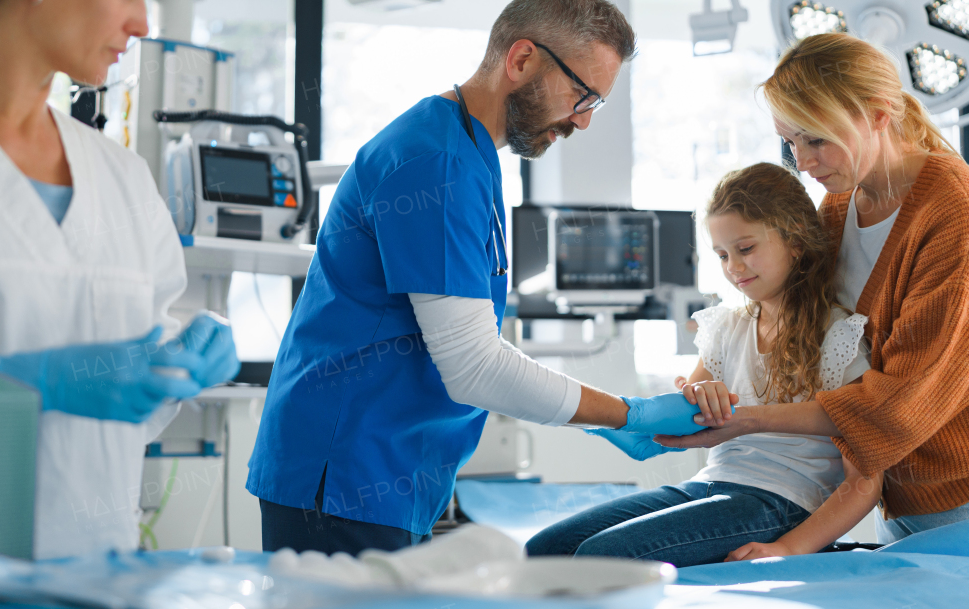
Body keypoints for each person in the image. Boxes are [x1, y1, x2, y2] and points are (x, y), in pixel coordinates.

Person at [248, 0, 707, 557]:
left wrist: (598, 421)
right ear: (521, 60)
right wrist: (624, 413)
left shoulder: (469, 152)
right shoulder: (435, 163)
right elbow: (473, 366)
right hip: (345, 472)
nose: (584, 119)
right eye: (582, 95)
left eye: (598, 104)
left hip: (388, 469)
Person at [657, 33, 969, 563]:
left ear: (879, 115)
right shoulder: (839, 206)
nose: (802, 162)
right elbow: (807, 332)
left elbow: (900, 403)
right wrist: (712, 374)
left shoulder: (961, 216)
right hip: (899, 493)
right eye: (790, 141)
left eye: (817, 140)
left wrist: (749, 418)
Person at [0, 0, 239, 566]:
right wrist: (28, 385)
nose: (143, 25)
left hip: (100, 577)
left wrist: (178, 366)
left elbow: (141, 384)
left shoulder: (121, 178)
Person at [526, 163, 879, 566]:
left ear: (795, 241)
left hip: (785, 502)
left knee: (601, 557)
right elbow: (689, 415)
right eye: (722, 255)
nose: (734, 267)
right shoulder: (727, 327)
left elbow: (865, 480)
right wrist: (678, 404)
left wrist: (789, 547)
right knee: (543, 551)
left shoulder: (836, 335)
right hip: (710, 484)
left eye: (746, 249)